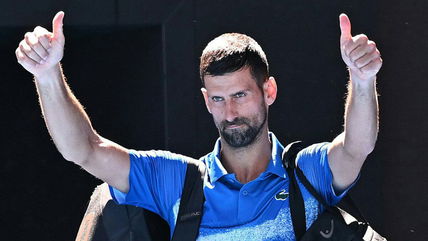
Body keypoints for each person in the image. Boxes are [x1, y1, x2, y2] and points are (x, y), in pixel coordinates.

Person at [16, 11, 382, 240]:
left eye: (241, 95)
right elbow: (84, 150)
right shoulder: (176, 180)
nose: (231, 112)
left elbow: (356, 147)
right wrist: (47, 75)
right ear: (207, 100)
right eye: (219, 99)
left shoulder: (306, 172)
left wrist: (363, 80)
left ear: (268, 91)